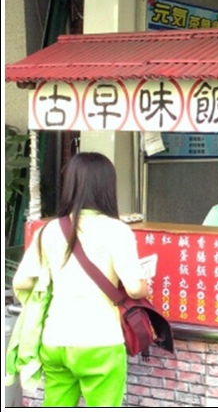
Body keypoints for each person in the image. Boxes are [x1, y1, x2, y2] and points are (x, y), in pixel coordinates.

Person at [12, 152, 150, 407]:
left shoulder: (49, 230)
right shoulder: (117, 230)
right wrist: (145, 285)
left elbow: (21, 282)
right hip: (100, 342)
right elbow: (133, 288)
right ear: (107, 186)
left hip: (55, 340)